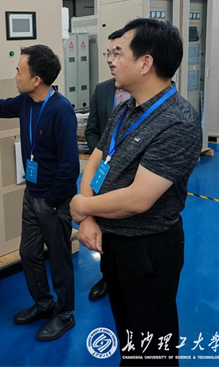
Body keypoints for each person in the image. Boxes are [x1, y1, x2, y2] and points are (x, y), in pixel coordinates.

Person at [70, 18, 202, 366]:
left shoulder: (178, 121)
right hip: (112, 238)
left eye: (118, 53)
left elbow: (138, 199)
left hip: (148, 248)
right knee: (128, 331)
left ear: (145, 63)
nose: (111, 61)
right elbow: (95, 161)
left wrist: (82, 205)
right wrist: (88, 218)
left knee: (152, 341)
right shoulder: (125, 108)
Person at [0, 45, 79, 342]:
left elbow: (70, 166)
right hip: (31, 194)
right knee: (28, 253)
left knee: (59, 260)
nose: (15, 76)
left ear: (36, 80)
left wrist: (53, 201)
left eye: (19, 71)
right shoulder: (25, 102)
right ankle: (44, 304)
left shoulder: (61, 111)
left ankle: (65, 314)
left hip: (53, 200)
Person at [84, 28, 130, 301]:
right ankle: (107, 276)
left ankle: (126, 277)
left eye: (117, 54)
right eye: (108, 54)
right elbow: (92, 130)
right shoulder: (102, 90)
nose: (111, 60)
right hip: (103, 171)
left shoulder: (145, 98)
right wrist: (101, 157)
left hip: (132, 177)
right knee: (104, 225)